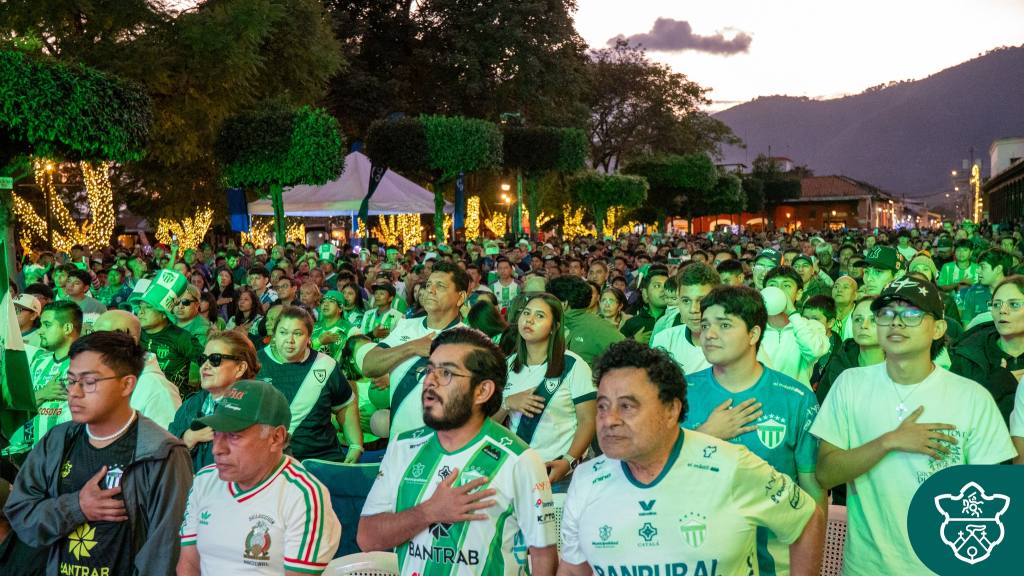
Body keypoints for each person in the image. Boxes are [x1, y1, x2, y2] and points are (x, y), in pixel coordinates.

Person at [558, 340, 824, 576]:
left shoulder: (734, 466)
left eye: (627, 406)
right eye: (602, 406)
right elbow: (572, 568)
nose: (609, 420)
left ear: (671, 410)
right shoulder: (586, 481)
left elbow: (807, 519)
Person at [812, 276, 1016, 575]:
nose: (896, 323)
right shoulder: (850, 385)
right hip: (866, 568)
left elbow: (993, 504)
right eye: (886, 314)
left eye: (911, 314)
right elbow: (826, 474)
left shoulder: (971, 398)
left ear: (938, 329)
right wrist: (889, 442)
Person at [358, 328, 558, 575]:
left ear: (482, 391)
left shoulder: (519, 460)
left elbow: (543, 556)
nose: (430, 381)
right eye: (430, 370)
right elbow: (367, 538)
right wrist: (429, 511)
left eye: (446, 373)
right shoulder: (402, 447)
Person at [3, 331, 193, 576]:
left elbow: (165, 552)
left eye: (89, 382)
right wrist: (77, 507)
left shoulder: (161, 453)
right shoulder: (57, 441)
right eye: (71, 381)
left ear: (127, 384)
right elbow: (21, 515)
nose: (75, 392)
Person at [684, 285, 824, 575]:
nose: (709, 334)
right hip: (694, 552)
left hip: (773, 560)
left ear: (753, 334)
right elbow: (656, 471)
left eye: (724, 325)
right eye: (706, 325)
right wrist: (706, 435)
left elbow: (812, 489)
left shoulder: (794, 398)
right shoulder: (680, 392)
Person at [177, 379, 341, 575]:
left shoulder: (303, 496)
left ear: (276, 438)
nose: (217, 449)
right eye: (216, 434)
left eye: (234, 436)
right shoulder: (205, 480)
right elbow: (188, 565)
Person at [358, 262, 469, 439]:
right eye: (428, 285)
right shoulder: (406, 326)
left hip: (441, 446)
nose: (430, 291)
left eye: (440, 286)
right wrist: (411, 347)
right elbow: (369, 366)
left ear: (461, 297)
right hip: (398, 445)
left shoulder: (470, 339)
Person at [496, 293, 596, 484]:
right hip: (516, 470)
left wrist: (568, 461)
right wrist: (507, 403)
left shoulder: (574, 365)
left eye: (540, 316)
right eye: (526, 313)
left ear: (554, 327)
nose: (530, 320)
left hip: (558, 471)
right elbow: (488, 423)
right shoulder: (507, 366)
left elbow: (588, 420)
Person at [257, 306, 362, 462]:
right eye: (283, 332)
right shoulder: (256, 363)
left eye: (297, 334)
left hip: (322, 459)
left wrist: (355, 446)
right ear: (274, 334)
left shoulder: (326, 365)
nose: (289, 340)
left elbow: (345, 404)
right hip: (270, 461)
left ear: (309, 337)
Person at [949, 275, 1024, 424]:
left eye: (1014, 305)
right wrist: (995, 386)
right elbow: (949, 413)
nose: (1002, 311)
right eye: (996, 304)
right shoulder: (968, 356)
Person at [92, 310, 182, 429]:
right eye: (93, 335)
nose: (93, 343)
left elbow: (166, 443)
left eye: (103, 337)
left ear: (130, 341)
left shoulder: (158, 390)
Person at [759, 266, 830, 387]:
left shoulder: (812, 326)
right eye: (772, 285)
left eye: (786, 286)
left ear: (798, 294)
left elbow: (814, 351)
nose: (779, 291)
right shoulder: (752, 330)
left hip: (798, 402)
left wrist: (792, 313)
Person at [651, 263, 719, 375]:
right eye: (686, 301)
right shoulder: (664, 340)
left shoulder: (737, 345)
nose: (693, 309)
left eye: (701, 301)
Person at [547, 275, 624, 368]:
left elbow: (630, 359)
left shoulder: (599, 328)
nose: (545, 306)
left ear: (564, 304)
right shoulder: (557, 325)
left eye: (549, 301)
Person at [138, 299, 202, 398]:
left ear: (164, 314)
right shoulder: (135, 333)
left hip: (173, 401)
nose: (141, 312)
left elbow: (207, 362)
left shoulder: (181, 338)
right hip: (140, 399)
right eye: (140, 307)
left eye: (148, 307)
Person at [620, 266, 669, 343]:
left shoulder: (680, 319)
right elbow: (618, 351)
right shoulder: (632, 323)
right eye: (657, 286)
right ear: (645, 294)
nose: (663, 290)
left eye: (666, 286)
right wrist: (634, 342)